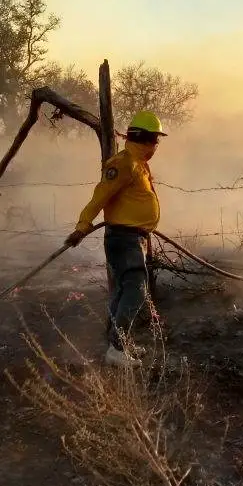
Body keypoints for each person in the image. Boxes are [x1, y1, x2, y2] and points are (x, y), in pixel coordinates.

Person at [66, 110, 166, 368]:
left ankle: (120, 343)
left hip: (134, 238)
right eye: (155, 140)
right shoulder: (123, 163)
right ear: (145, 138)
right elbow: (99, 196)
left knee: (122, 291)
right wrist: (82, 226)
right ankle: (117, 347)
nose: (157, 145)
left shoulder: (139, 164)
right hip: (125, 239)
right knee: (136, 290)